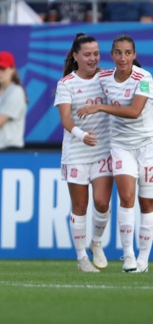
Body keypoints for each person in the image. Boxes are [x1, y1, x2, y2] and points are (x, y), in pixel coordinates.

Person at [77, 34, 153, 273]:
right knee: (127, 197)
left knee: (147, 202)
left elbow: (134, 112)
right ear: (112, 55)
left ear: (134, 55)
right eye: (118, 53)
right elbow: (83, 75)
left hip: (147, 145)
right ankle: (128, 256)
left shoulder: (144, 79)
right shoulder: (105, 77)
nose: (123, 58)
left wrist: (100, 106)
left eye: (127, 53)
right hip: (120, 146)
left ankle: (143, 258)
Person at [53, 33, 112, 273]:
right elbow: (65, 119)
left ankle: (96, 243)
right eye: (87, 54)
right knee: (80, 206)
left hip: (103, 151)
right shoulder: (66, 83)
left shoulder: (108, 78)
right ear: (76, 56)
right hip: (76, 152)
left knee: (101, 202)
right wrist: (81, 135)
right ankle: (81, 259)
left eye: (96, 54)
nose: (92, 58)